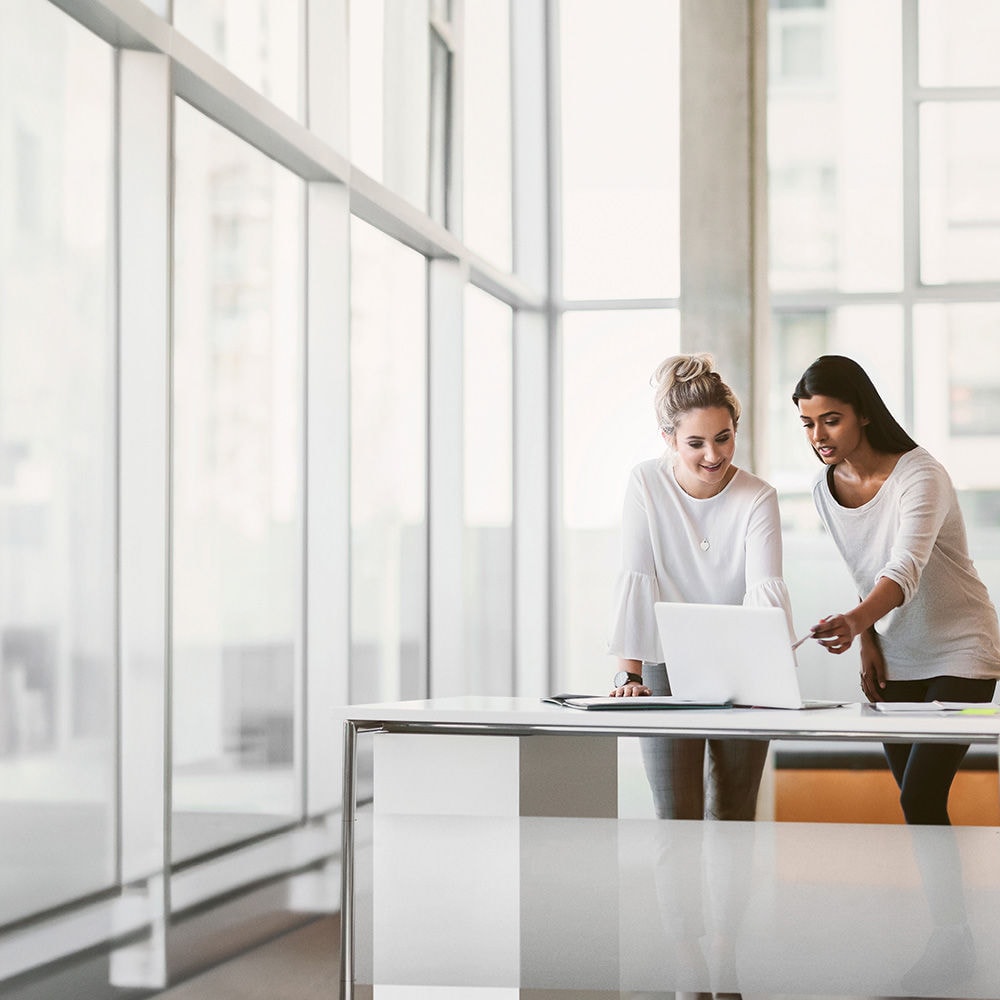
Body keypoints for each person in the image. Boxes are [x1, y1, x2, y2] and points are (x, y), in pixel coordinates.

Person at [793, 354, 1000, 825]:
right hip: (896, 656)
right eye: (807, 424)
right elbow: (864, 568)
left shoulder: (920, 475)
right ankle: (935, 882)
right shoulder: (824, 488)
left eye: (831, 420)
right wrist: (867, 638)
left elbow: (904, 568)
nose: (818, 436)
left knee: (919, 797)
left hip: (962, 650)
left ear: (864, 413)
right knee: (915, 803)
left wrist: (855, 621)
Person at [607, 353, 794, 822]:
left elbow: (764, 588)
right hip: (664, 664)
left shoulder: (758, 497)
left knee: (734, 814)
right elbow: (637, 575)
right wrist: (630, 677)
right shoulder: (645, 483)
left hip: (743, 668)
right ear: (669, 438)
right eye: (696, 443)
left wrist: (770, 679)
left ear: (735, 430)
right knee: (676, 815)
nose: (713, 455)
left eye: (723, 438)